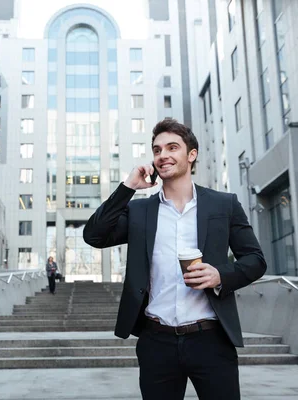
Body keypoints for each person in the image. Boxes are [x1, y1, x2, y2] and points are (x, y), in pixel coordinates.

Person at [83, 119, 266, 400]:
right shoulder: (140, 211)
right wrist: (128, 186)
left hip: (212, 338)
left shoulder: (224, 204)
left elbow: (255, 259)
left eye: (172, 147)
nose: (162, 155)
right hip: (157, 340)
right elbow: (94, 235)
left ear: (191, 155)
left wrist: (220, 276)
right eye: (157, 150)